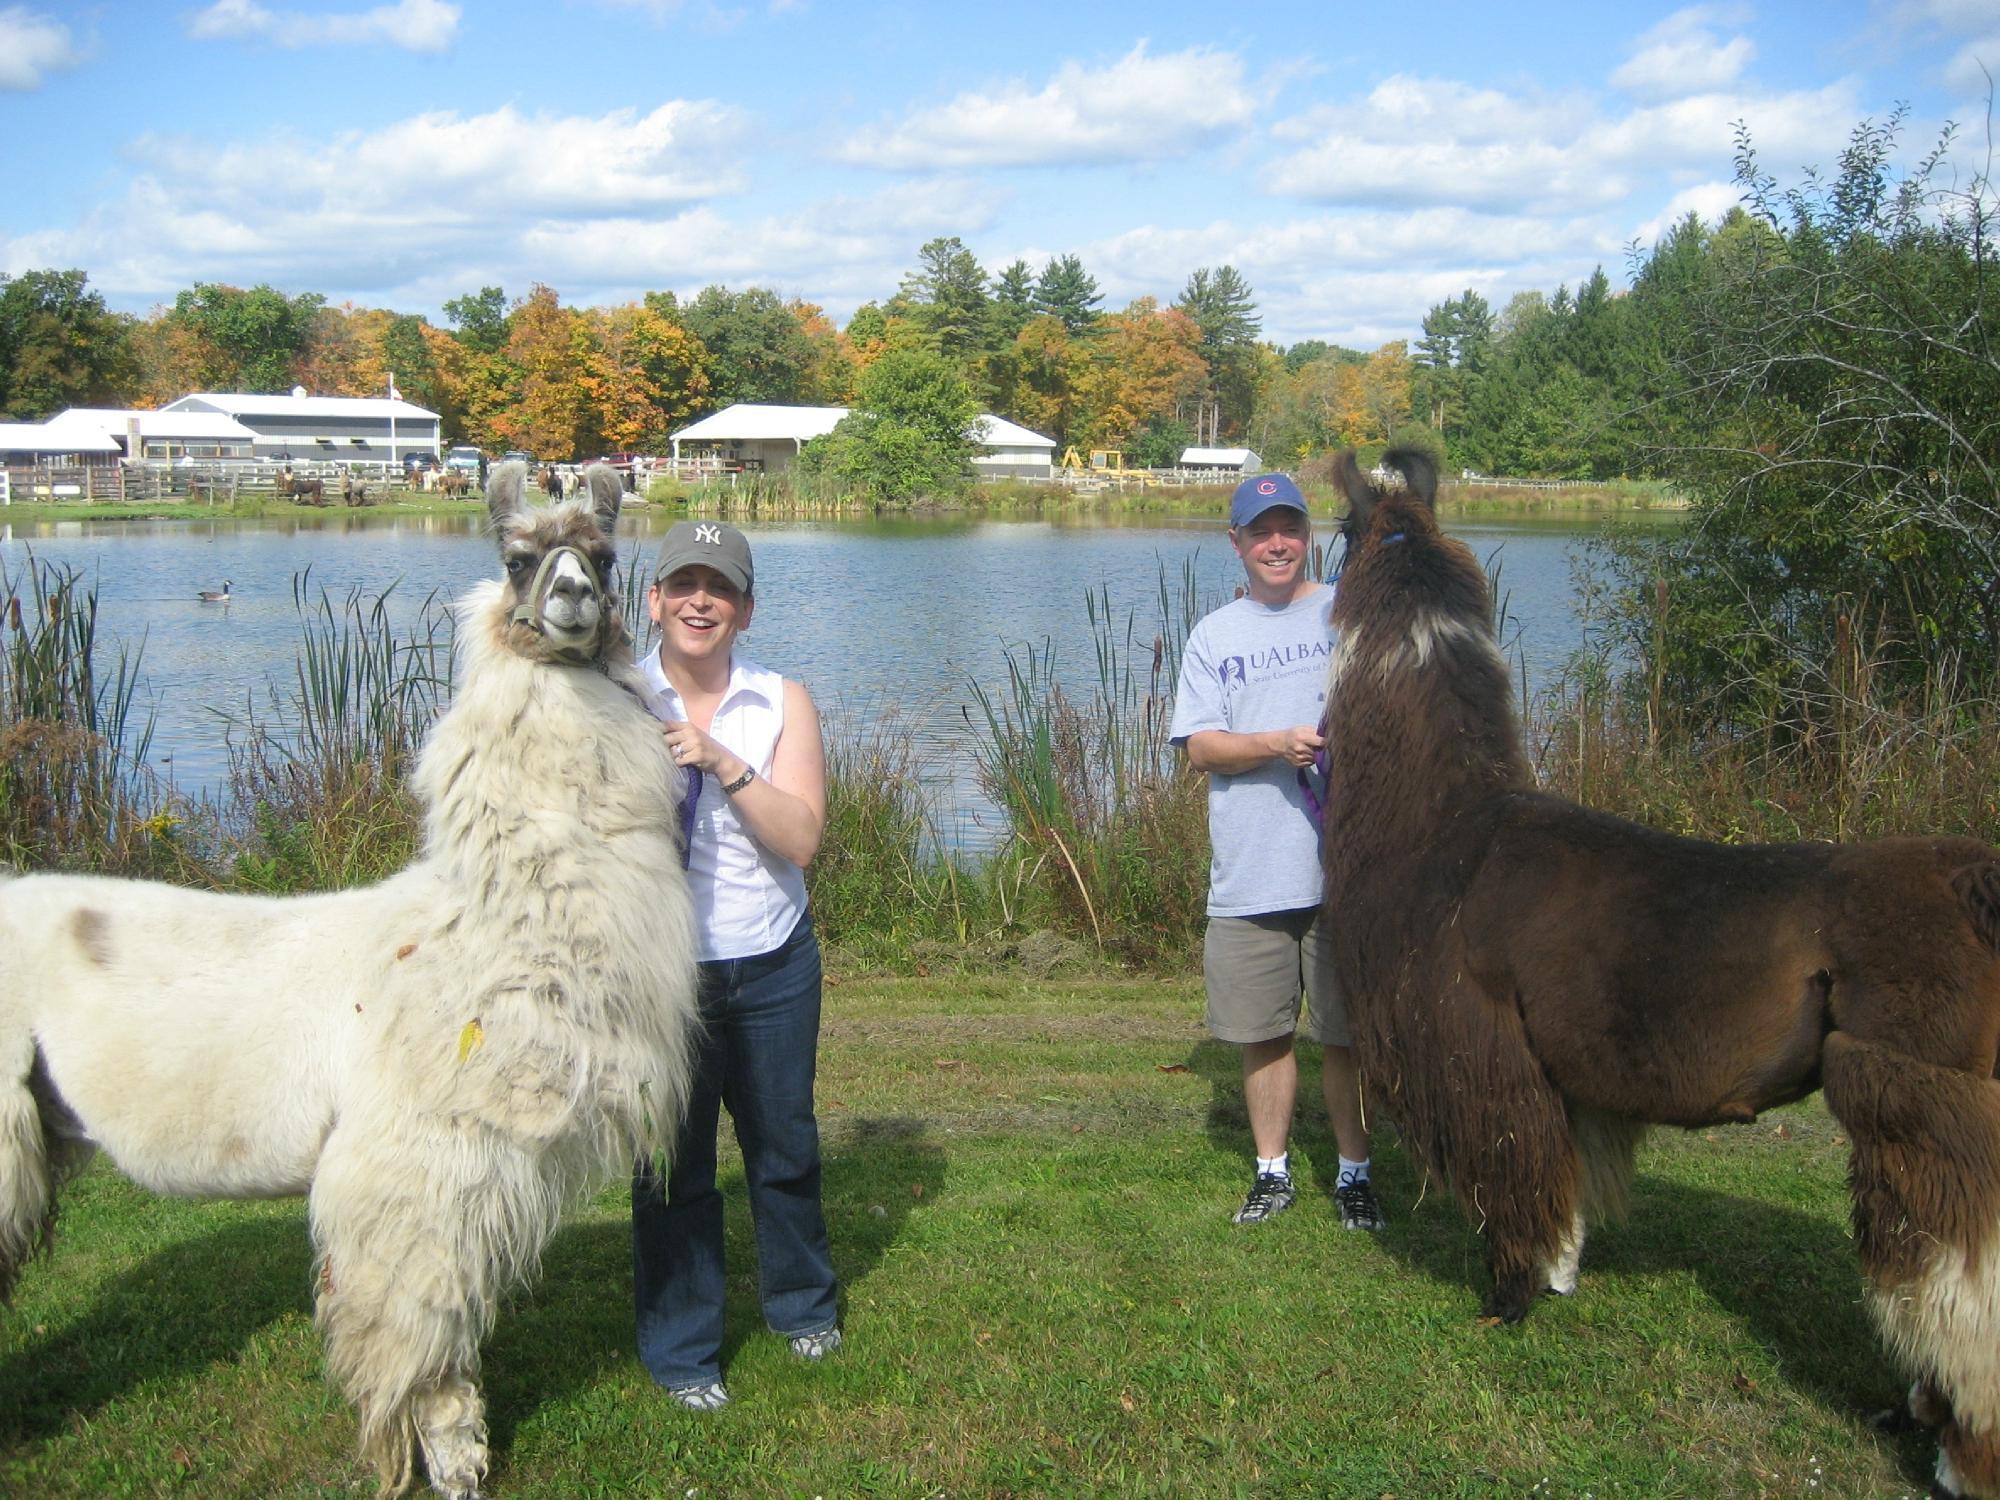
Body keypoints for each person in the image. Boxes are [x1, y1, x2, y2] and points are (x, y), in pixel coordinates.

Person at [630, 518, 841, 1411]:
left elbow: (802, 840)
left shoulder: (781, 700)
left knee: (783, 1149)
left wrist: (724, 763)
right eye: (684, 584)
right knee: (672, 1169)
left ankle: (801, 1307)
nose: (700, 601)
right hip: (661, 977)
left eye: (719, 587)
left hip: (772, 965)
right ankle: (683, 1350)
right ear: (654, 601)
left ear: (746, 608)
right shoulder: (616, 698)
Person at [1167, 472, 1382, 1230]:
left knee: (1347, 1035)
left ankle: (1355, 1173)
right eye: (1261, 532)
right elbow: (1199, 747)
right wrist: (1273, 744)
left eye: (1289, 527)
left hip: (1346, 874)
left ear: (1309, 534)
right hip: (1251, 873)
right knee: (1264, 1033)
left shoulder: (1347, 614)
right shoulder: (1212, 636)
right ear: (1237, 543)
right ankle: (1273, 1171)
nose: (1278, 543)